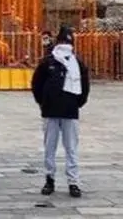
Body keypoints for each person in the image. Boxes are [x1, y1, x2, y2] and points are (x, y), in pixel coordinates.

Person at [31, 25, 90, 198]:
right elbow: (37, 84)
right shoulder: (48, 62)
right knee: (49, 147)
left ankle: (73, 182)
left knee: (71, 148)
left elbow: (85, 87)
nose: (66, 45)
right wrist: (43, 102)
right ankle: (49, 178)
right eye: (63, 41)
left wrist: (77, 103)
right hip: (50, 110)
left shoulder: (77, 63)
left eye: (69, 42)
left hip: (70, 110)